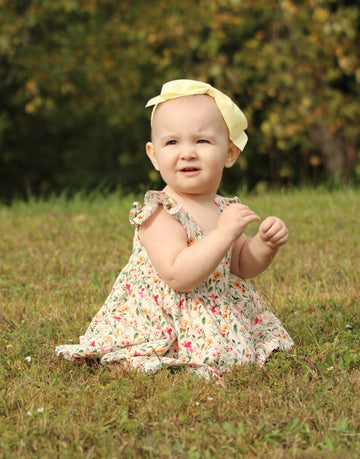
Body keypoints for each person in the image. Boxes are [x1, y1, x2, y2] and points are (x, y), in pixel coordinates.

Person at [56, 79, 293, 379]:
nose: (188, 153)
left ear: (230, 153)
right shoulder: (160, 211)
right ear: (154, 155)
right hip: (166, 313)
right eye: (173, 142)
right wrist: (222, 234)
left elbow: (240, 264)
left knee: (241, 351)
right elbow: (178, 275)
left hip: (212, 303)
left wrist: (264, 244)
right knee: (188, 353)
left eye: (202, 141)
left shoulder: (224, 208)